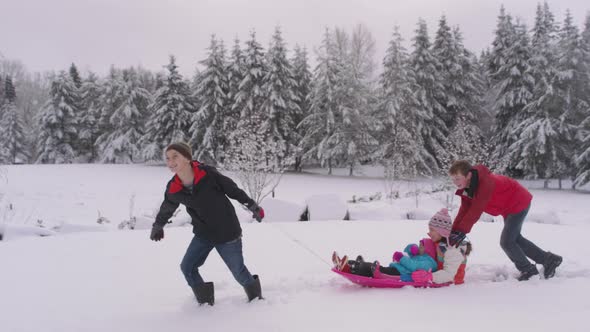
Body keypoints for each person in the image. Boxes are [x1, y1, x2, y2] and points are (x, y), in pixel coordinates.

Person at [150, 142, 265, 305]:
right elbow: (167, 207)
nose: (170, 161)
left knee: (238, 272)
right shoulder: (174, 187)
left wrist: (252, 205)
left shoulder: (208, 175)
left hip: (227, 232)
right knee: (187, 267)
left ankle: (256, 301)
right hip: (203, 234)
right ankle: (205, 303)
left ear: (187, 158)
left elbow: (233, 190)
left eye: (175, 156)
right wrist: (158, 225)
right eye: (168, 158)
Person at [447, 160, 562, 281]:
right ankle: (549, 259)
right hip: (508, 207)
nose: (455, 182)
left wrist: (461, 231)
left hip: (518, 203)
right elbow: (464, 210)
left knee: (507, 242)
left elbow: (475, 210)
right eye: (453, 179)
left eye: (458, 178)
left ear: (468, 175)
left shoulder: (485, 184)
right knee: (515, 239)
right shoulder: (468, 188)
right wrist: (454, 231)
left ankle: (528, 270)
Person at [333, 208, 472, 285]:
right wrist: (414, 250)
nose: (429, 233)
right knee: (381, 268)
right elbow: (423, 253)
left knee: (379, 270)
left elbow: (449, 275)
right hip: (425, 271)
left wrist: (429, 277)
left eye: (432, 230)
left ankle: (352, 267)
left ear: (442, 231)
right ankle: (350, 263)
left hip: (447, 280)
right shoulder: (440, 242)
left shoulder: (452, 250)